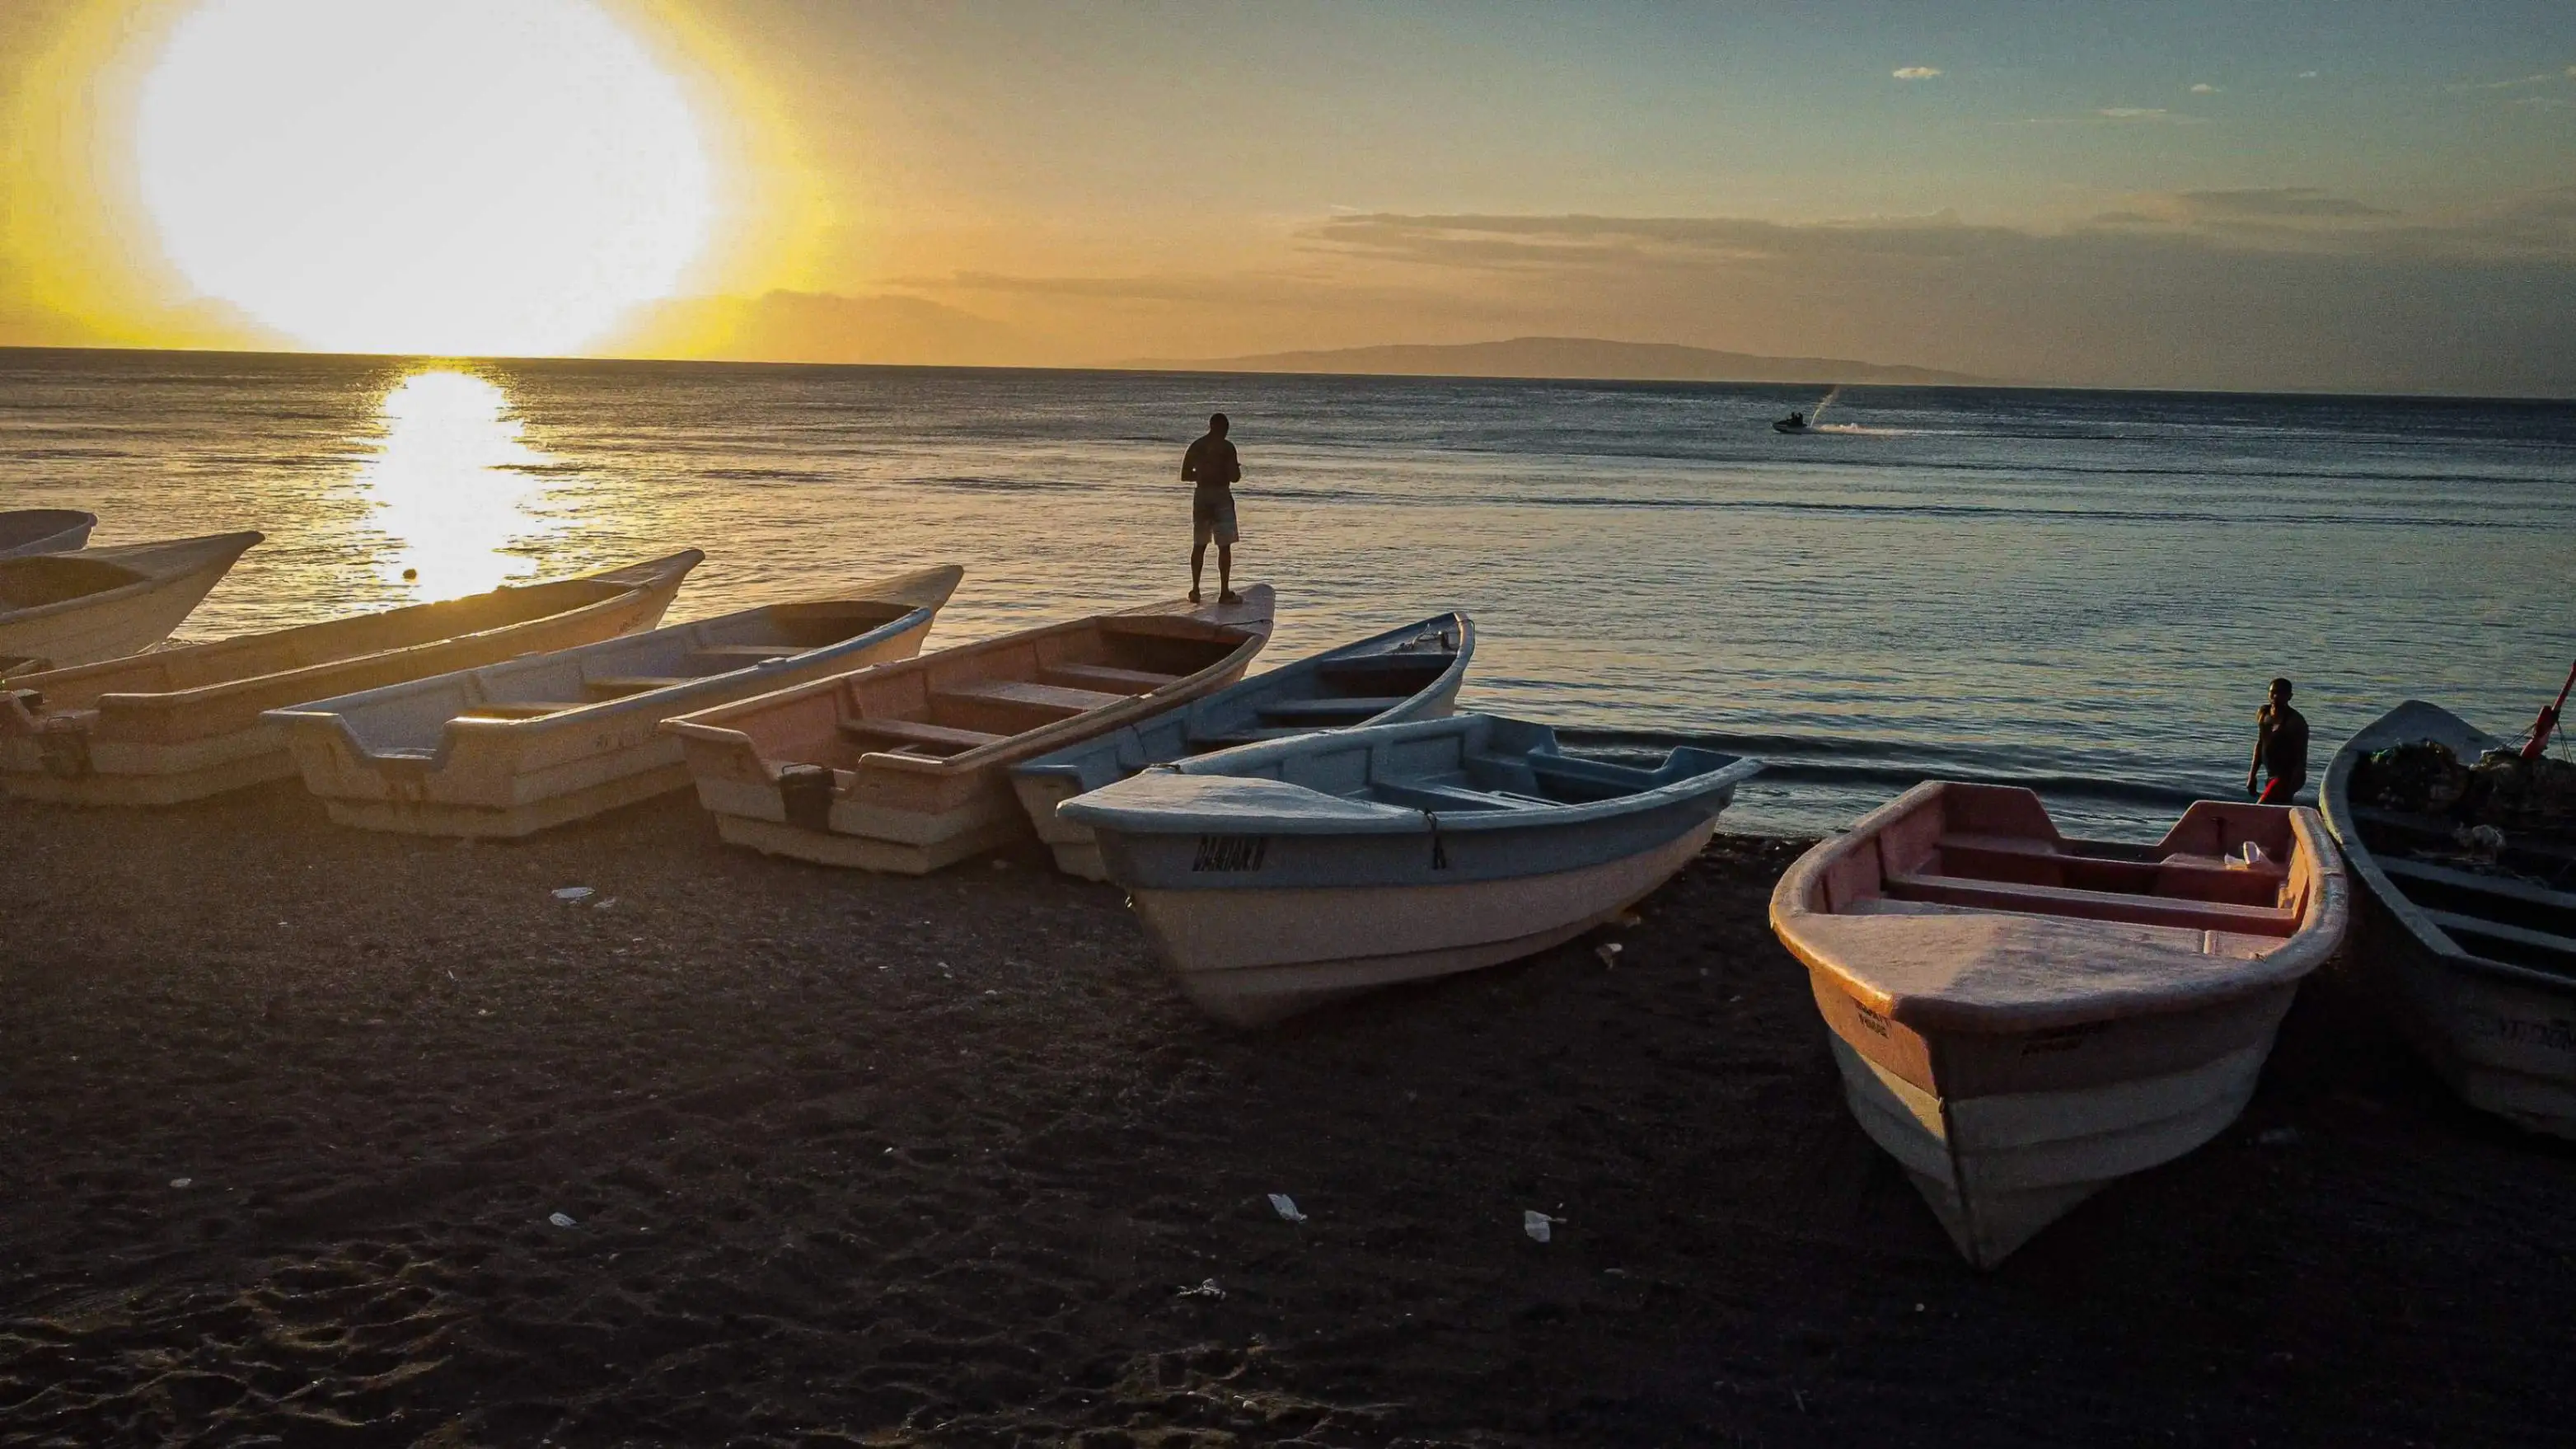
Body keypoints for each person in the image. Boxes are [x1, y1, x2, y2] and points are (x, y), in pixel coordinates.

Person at [1180, 411, 1243, 605]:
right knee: (1224, 545)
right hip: (1221, 495)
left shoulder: (1197, 446)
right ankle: (1224, 591)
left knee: (1200, 544)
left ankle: (1196, 590)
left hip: (1202, 496)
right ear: (1222, 428)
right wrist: (1223, 471)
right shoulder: (1227, 448)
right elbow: (1235, 477)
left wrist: (1202, 474)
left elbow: (1185, 475)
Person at [2247, 677, 2310, 803]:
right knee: (2279, 808)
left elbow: (2302, 752)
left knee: (2261, 807)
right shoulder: (2263, 713)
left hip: (2288, 775)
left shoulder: (2295, 721)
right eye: (2273, 692)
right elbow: (2260, 744)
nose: (2276, 696)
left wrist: (2294, 780)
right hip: (2271, 774)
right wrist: (2252, 775)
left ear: (2289, 696)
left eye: (2281, 693)